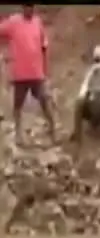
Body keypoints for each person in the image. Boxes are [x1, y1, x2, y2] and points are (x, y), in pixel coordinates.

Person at [0, 4, 56, 146]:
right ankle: (19, 134)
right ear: (22, 8)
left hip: (37, 73)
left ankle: (53, 131)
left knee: (44, 100)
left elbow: (44, 46)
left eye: (31, 7)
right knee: (18, 105)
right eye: (26, 7)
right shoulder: (14, 22)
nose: (29, 10)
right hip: (20, 74)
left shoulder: (38, 23)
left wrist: (45, 69)